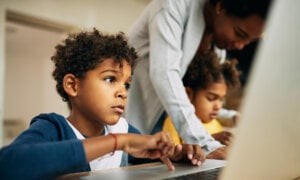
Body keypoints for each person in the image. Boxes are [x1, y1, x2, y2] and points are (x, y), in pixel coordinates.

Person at [0, 29, 205, 180]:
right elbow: (8, 165)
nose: (122, 92)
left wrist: (175, 155)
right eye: (110, 79)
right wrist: (117, 142)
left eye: (126, 84)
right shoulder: (54, 127)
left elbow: (147, 159)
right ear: (72, 85)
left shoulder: (121, 128)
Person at [124, 0, 273, 159]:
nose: (240, 46)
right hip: (132, 124)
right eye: (239, 33)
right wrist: (205, 143)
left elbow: (195, 102)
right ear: (221, 6)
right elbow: (165, 75)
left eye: (249, 40)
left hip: (164, 142)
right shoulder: (171, 6)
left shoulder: (217, 42)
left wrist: (230, 118)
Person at [163, 51, 240, 147]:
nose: (218, 106)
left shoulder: (216, 124)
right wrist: (211, 141)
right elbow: (172, 154)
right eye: (211, 98)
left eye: (221, 100)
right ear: (188, 94)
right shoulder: (173, 123)